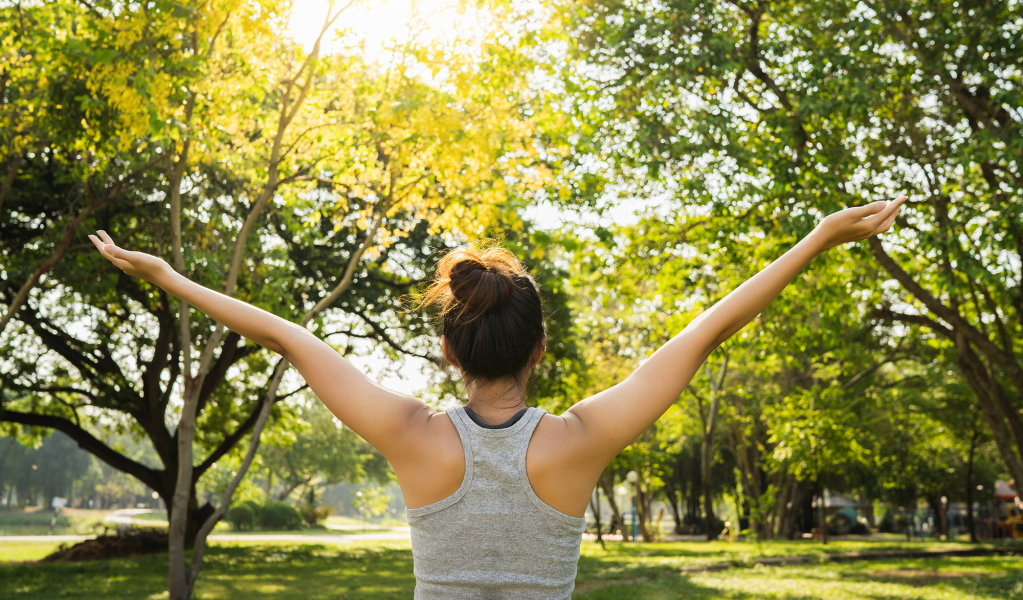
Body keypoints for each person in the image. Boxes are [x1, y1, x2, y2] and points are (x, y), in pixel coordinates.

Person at [89, 196, 905, 598]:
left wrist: (169, 276)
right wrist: (820, 235)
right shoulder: (581, 439)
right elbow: (704, 333)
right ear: (540, 350)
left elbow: (290, 338)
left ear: (446, 350)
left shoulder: (409, 435)